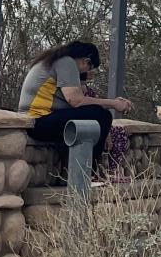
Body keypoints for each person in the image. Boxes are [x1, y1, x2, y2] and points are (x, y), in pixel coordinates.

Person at [18, 39, 132, 175]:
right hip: (38, 121)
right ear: (86, 61)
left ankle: (69, 174)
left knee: (85, 122)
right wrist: (114, 103)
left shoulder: (54, 60)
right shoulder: (67, 62)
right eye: (89, 69)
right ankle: (89, 174)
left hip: (38, 120)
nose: (86, 73)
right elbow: (75, 100)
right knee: (101, 115)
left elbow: (75, 102)